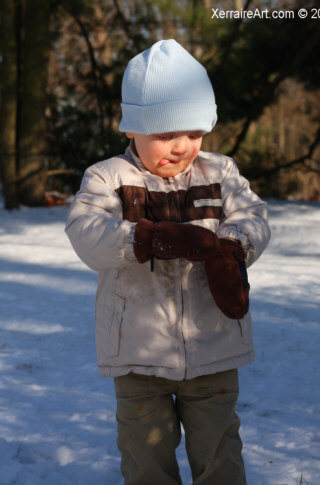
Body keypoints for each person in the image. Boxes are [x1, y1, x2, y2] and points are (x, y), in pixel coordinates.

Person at [65, 39, 271, 485]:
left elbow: (253, 216)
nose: (181, 146)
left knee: (219, 454)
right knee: (146, 458)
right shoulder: (108, 179)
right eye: (164, 134)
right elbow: (85, 234)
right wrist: (148, 238)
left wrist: (230, 250)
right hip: (138, 356)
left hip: (214, 347)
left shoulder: (222, 173)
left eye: (194, 133)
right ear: (131, 130)